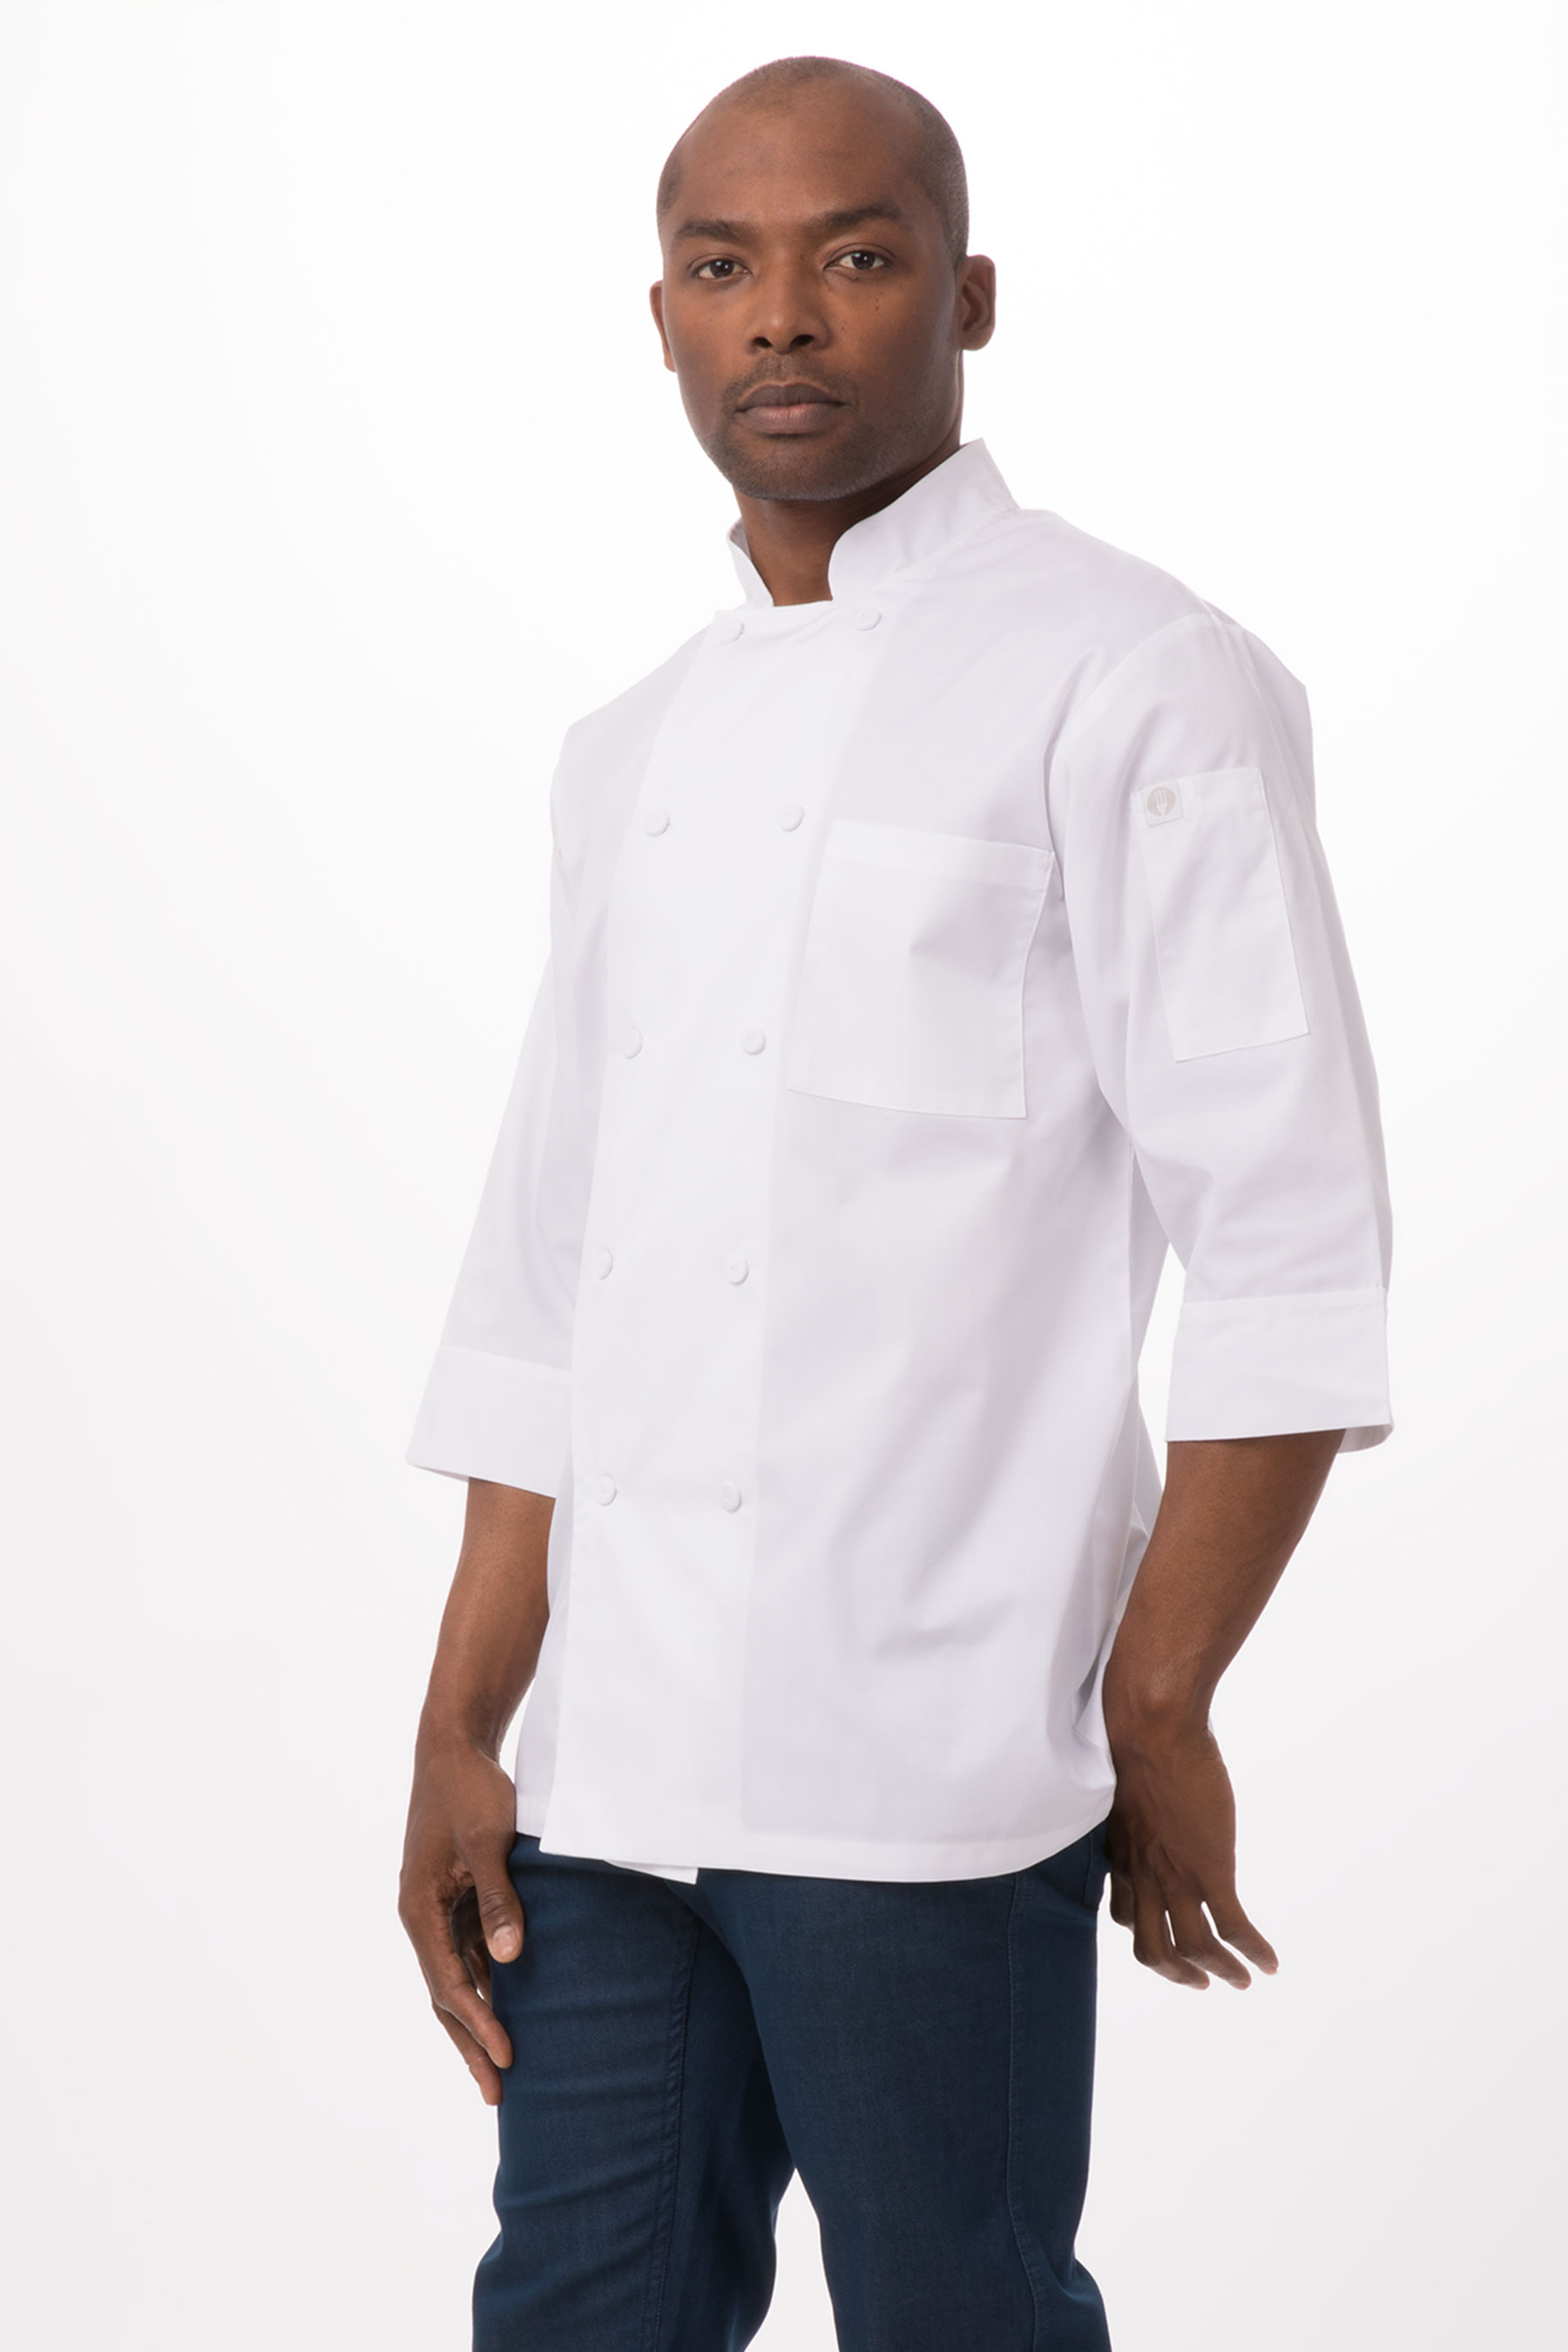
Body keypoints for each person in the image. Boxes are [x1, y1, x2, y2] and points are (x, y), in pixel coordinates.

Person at [398, 53, 1392, 2352]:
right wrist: (463, 1722)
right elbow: (549, 1280)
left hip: (932, 1758)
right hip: (614, 1780)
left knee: (959, 2316)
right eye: (723, 266)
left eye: (853, 256)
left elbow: (1287, 1239)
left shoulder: (1139, 676)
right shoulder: (627, 750)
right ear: (662, 315)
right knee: (573, 2315)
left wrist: (1161, 1698)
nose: (782, 317)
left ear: (969, 294)